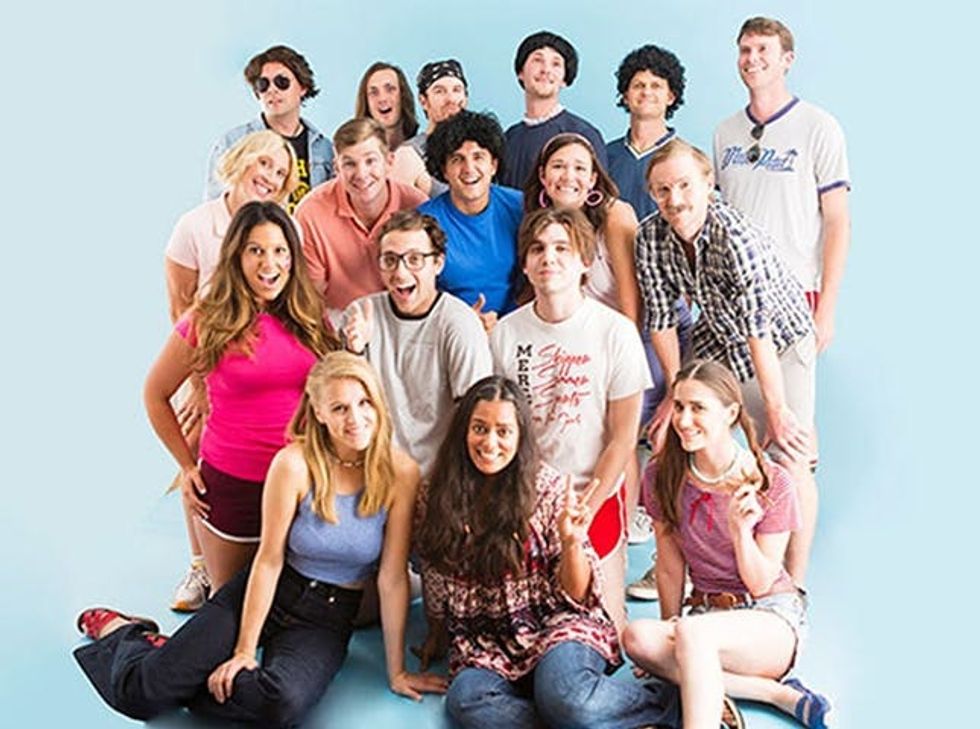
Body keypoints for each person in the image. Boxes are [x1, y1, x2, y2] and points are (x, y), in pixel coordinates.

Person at [75, 353, 448, 727]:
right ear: (318, 413)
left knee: (281, 705)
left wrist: (397, 671)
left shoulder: (400, 472)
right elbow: (269, 560)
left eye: (364, 402)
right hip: (270, 588)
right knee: (144, 692)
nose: (356, 418)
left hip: (328, 616)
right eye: (339, 408)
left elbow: (392, 577)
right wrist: (243, 651)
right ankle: (125, 633)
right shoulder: (294, 463)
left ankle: (178, 667)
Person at [415, 376, 680, 729]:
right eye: (479, 428)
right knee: (466, 701)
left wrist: (571, 543)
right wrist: (435, 632)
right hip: (485, 643)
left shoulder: (548, 488)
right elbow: (434, 571)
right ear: (463, 431)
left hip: (556, 626)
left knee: (565, 697)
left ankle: (669, 705)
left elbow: (578, 596)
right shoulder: (434, 495)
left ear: (520, 437)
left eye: (503, 431)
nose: (490, 442)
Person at [636, 138, 818, 586]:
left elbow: (758, 330)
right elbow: (661, 319)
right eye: (663, 190)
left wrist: (775, 409)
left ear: (708, 183)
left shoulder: (736, 238)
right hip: (718, 332)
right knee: (673, 437)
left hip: (780, 340)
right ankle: (674, 559)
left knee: (789, 454)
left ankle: (791, 585)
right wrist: (676, 396)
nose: (675, 200)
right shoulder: (649, 236)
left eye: (684, 185)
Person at [623, 359, 830, 729]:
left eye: (698, 408)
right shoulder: (660, 475)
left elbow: (762, 583)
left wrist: (740, 532)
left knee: (692, 634)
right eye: (679, 406)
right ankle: (773, 693)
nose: (684, 420)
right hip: (705, 617)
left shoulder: (771, 481)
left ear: (731, 413)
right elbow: (669, 566)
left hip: (768, 619)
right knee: (637, 638)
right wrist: (671, 627)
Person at [145, 202, 336, 593]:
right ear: (236, 256)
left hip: (303, 483)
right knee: (231, 606)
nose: (270, 263)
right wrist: (186, 466)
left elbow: (334, 391)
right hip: (234, 484)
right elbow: (155, 394)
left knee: (310, 605)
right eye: (256, 250)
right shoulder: (207, 319)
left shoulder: (310, 315)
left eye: (280, 250)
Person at [490, 208, 651, 631]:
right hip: (524, 499)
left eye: (563, 248)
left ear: (585, 262)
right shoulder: (505, 334)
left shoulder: (616, 333)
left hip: (592, 497)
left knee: (608, 633)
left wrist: (585, 512)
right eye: (538, 249)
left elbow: (622, 439)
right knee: (528, 629)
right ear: (525, 264)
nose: (549, 258)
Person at [165, 130, 298, 611]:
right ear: (242, 160)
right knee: (198, 457)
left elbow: (291, 298)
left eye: (281, 172)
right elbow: (180, 306)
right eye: (264, 163)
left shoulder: (283, 227)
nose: (270, 176)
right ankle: (200, 564)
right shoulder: (196, 225)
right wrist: (200, 384)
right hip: (209, 361)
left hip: (264, 359)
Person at [713, 17, 851, 353]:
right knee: (730, 388)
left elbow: (837, 221)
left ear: (787, 59)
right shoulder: (724, 132)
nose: (752, 58)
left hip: (794, 289)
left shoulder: (819, 126)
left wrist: (827, 309)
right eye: (745, 50)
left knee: (786, 388)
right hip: (733, 293)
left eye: (763, 49)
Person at [341, 210, 492, 477]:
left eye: (414, 260)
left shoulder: (459, 323)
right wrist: (354, 353)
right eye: (390, 260)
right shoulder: (361, 315)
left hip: (439, 476)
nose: (400, 273)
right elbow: (344, 409)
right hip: (375, 472)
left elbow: (474, 414)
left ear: (438, 263)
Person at [294, 118, 427, 328]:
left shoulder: (418, 206)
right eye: (349, 164)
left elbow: (427, 286)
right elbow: (311, 300)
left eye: (370, 161)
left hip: (405, 324)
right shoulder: (310, 213)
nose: (361, 174)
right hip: (338, 325)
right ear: (337, 167)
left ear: (389, 162)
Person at [419, 109, 524, 324]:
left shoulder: (520, 207)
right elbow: (418, 296)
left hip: (517, 326)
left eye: (478, 157)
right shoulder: (423, 222)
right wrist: (463, 322)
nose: (469, 168)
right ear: (444, 170)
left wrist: (505, 322)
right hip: (449, 328)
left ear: (493, 165)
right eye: (457, 159)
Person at [204, 45, 333, 214]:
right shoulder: (233, 142)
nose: (272, 90)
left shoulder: (325, 149)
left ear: (303, 87)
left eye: (282, 82)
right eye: (263, 84)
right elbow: (214, 210)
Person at [500, 31, 606, 190]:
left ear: (564, 79)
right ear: (520, 72)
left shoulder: (582, 134)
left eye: (556, 64)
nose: (546, 70)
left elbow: (600, 197)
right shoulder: (509, 137)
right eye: (538, 60)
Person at [607, 44, 686, 222]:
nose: (646, 92)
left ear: (670, 97)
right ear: (625, 97)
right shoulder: (605, 156)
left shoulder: (686, 158)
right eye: (638, 85)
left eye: (656, 86)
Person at [390, 59, 469, 197]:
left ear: (465, 98)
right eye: (439, 91)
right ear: (423, 101)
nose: (451, 99)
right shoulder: (409, 155)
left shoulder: (479, 149)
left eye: (457, 90)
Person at [354, 61, 419, 151]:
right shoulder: (353, 154)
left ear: (403, 96)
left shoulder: (424, 151)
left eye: (390, 89)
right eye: (374, 93)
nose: (382, 99)